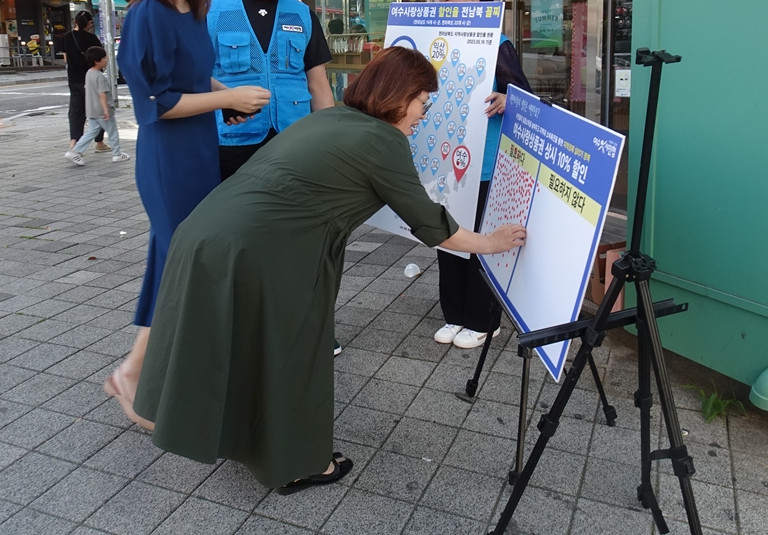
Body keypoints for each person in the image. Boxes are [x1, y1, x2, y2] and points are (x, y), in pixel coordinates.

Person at [132, 47, 526, 493]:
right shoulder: (383, 142)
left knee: (245, 344)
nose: (423, 113)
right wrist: (490, 243)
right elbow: (435, 226)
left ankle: (244, 441)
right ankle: (298, 463)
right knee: (293, 350)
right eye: (423, 101)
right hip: (262, 250)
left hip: (207, 233)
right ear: (400, 97)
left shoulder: (332, 119)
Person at [104, 0, 271, 425]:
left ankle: (142, 374)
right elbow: (157, 104)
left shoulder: (191, 13)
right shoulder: (147, 15)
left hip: (199, 156)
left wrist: (233, 95)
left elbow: (197, 82)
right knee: (183, 268)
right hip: (168, 164)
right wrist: (229, 99)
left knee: (174, 265)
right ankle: (135, 374)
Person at [431, 0, 532, 349]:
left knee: (480, 241)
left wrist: (508, 99)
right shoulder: (436, 41)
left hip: (485, 163)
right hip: (446, 158)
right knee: (447, 237)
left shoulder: (498, 44)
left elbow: (526, 98)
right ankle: (453, 314)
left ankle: (483, 319)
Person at [207, 0, 334, 181]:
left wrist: (328, 140)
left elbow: (318, 84)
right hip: (232, 147)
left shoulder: (302, 15)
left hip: (294, 143)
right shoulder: (213, 13)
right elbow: (194, 76)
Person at [63, 46, 129, 165]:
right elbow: (102, 94)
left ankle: (75, 151)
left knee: (91, 132)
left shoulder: (89, 73)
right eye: (104, 58)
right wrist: (106, 110)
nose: (107, 60)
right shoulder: (100, 76)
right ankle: (117, 154)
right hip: (102, 111)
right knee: (112, 131)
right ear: (97, 61)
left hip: (92, 110)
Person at [62, 10, 107, 153]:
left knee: (76, 111)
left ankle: (74, 142)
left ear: (75, 21)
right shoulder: (92, 38)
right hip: (91, 79)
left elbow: (66, 58)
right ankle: (99, 143)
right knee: (97, 110)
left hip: (74, 79)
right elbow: (100, 57)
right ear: (89, 22)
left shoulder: (67, 37)